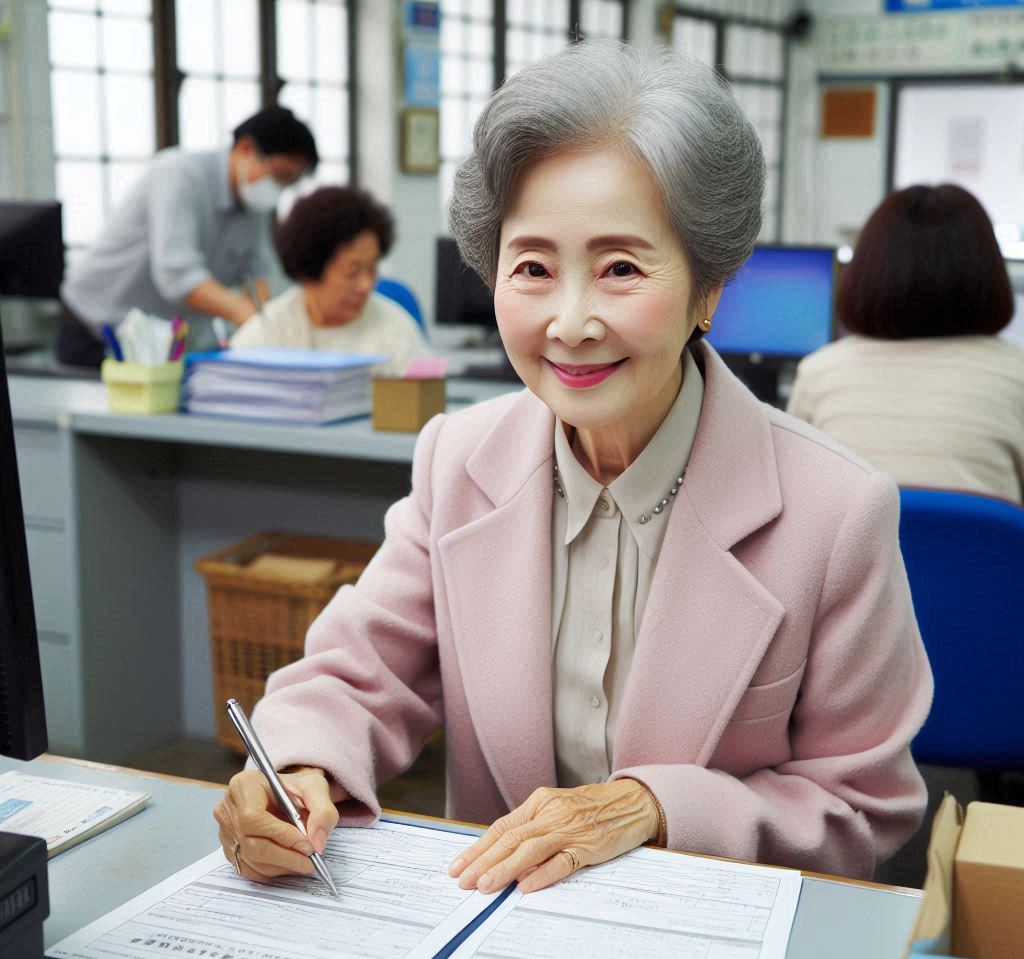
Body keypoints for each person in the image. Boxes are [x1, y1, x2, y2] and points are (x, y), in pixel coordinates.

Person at [214, 41, 932, 893]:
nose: (571, 321)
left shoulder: (835, 511)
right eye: (533, 269)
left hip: (705, 956)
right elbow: (357, 676)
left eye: (622, 268)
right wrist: (299, 766)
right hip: (490, 951)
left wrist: (655, 808)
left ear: (710, 289)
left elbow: (863, 809)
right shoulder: (459, 461)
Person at [787, 184, 1024, 504]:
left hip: (854, 554)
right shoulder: (1016, 376)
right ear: (989, 272)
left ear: (868, 271)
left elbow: (795, 506)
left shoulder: (818, 373)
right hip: (984, 554)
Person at [57, 107, 318, 368]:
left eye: (289, 182)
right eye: (279, 175)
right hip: (97, 329)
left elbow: (259, 271)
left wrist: (265, 317)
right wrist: (246, 314)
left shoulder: (253, 203)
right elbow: (177, 275)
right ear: (246, 149)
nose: (278, 188)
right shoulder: (179, 174)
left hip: (157, 344)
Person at [230, 186, 430, 375]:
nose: (365, 285)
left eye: (372, 269)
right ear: (310, 272)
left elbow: (430, 400)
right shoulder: (271, 329)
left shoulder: (395, 329)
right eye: (352, 272)